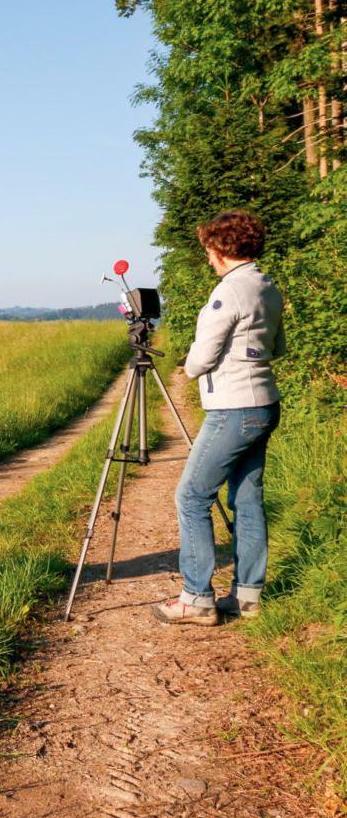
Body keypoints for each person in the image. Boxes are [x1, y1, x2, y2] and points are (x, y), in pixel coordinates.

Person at [153, 210, 285, 627]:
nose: (208, 257)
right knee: (247, 499)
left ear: (221, 248)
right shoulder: (267, 287)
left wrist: (190, 361)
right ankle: (248, 596)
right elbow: (276, 347)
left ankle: (196, 598)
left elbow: (200, 360)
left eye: (209, 249)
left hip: (232, 407)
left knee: (191, 497)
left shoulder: (228, 292)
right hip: (264, 402)